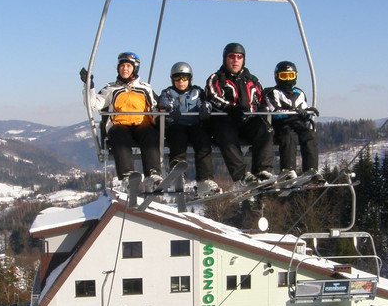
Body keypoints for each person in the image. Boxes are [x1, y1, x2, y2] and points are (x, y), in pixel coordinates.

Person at [82, 52, 162, 191]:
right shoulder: (111, 89)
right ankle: (127, 176)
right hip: (119, 124)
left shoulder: (145, 88)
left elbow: (155, 107)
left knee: (150, 134)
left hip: (141, 124)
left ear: (134, 68)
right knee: (119, 135)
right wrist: (89, 86)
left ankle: (153, 174)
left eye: (128, 66)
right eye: (122, 66)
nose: (125, 69)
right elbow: (93, 104)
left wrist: (161, 119)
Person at [205, 42, 275, 187]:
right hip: (226, 120)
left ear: (243, 59)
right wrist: (230, 108)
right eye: (231, 57)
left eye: (239, 57)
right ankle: (242, 175)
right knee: (225, 133)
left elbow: (262, 99)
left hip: (248, 120)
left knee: (265, 128)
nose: (235, 60)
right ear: (225, 58)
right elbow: (212, 96)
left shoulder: (252, 80)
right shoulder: (217, 78)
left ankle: (262, 171)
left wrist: (263, 108)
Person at [157, 62, 219, 196]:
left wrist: (205, 108)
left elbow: (205, 102)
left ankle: (205, 180)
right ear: (172, 79)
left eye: (184, 78)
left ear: (190, 79)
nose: (181, 82)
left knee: (203, 142)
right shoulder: (168, 93)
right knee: (178, 138)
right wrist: (170, 108)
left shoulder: (196, 92)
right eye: (177, 79)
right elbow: (163, 102)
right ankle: (178, 172)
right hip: (176, 125)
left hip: (194, 126)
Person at [263, 60, 323, 182]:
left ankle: (311, 171)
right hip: (281, 125)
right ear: (277, 77)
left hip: (297, 124)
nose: (287, 79)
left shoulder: (299, 93)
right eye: (284, 76)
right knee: (289, 136)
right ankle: (288, 170)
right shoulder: (272, 92)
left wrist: (308, 113)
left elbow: (304, 108)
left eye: (290, 76)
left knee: (310, 135)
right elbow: (275, 111)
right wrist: (295, 111)